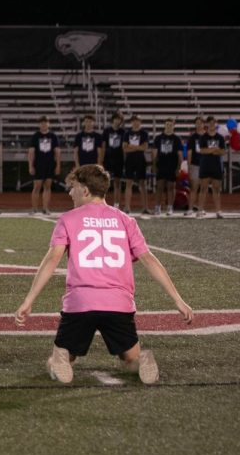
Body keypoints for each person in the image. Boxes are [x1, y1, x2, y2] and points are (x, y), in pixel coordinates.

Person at [13, 164, 193, 385]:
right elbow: (149, 260)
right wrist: (178, 300)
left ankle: (60, 360)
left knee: (62, 357)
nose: (70, 193)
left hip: (81, 303)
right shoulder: (126, 221)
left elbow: (52, 260)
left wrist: (28, 300)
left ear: (86, 191)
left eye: (73, 187)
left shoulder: (68, 219)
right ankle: (141, 360)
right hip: (119, 304)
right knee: (129, 359)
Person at [28, 116, 61, 215]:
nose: (44, 125)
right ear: (39, 124)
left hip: (50, 164)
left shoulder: (53, 136)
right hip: (38, 164)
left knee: (47, 186)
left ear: (48, 124)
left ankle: (45, 208)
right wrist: (30, 165)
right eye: (42, 123)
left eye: (45, 122)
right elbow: (31, 152)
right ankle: (34, 208)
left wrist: (58, 165)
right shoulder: (35, 136)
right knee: (37, 186)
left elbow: (57, 152)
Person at [196, 116, 227, 217]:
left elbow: (223, 151)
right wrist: (215, 149)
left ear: (216, 124)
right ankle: (200, 210)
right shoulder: (203, 137)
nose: (212, 125)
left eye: (213, 122)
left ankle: (218, 211)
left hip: (217, 166)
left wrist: (211, 150)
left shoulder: (220, 138)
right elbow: (202, 150)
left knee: (216, 189)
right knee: (203, 188)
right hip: (205, 165)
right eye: (210, 123)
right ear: (207, 124)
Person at [151, 118, 183, 216]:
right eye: (167, 124)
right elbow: (154, 154)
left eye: (171, 124)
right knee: (159, 187)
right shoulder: (158, 138)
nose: (169, 126)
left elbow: (180, 155)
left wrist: (178, 167)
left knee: (171, 187)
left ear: (174, 126)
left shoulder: (177, 139)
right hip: (161, 165)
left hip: (172, 165)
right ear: (164, 125)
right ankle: (157, 207)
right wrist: (154, 165)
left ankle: (170, 207)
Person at [121, 115, 150, 214]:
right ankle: (127, 207)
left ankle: (145, 207)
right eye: (134, 121)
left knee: (143, 184)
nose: (136, 123)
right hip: (130, 160)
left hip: (140, 159)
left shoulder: (144, 133)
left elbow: (145, 147)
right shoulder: (127, 133)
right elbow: (125, 148)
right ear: (132, 122)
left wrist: (132, 146)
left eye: (137, 121)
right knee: (129, 183)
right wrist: (138, 147)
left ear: (140, 122)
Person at [101, 112, 127, 204]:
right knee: (104, 182)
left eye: (119, 119)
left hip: (118, 158)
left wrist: (124, 159)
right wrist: (101, 159)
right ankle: (103, 203)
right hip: (108, 158)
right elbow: (103, 146)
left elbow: (124, 147)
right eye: (116, 119)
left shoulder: (123, 132)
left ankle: (116, 204)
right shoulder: (107, 131)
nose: (117, 121)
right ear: (113, 119)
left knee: (117, 182)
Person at [186, 116, 207, 215]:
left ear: (203, 124)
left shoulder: (207, 136)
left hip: (206, 164)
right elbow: (189, 152)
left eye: (200, 123)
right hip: (195, 164)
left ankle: (200, 208)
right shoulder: (192, 137)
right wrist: (189, 166)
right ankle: (190, 208)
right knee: (194, 187)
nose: (199, 125)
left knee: (204, 187)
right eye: (197, 123)